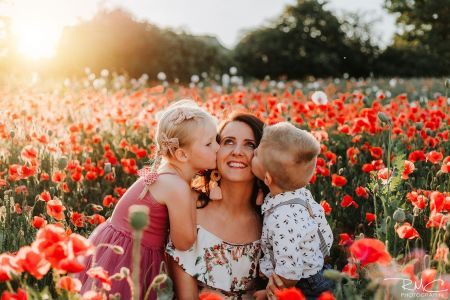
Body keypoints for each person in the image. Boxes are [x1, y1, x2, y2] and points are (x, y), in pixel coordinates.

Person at [78, 100, 219, 299]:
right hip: (130, 258)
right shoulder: (177, 187)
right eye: (209, 143)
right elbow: (184, 242)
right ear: (182, 154)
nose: (218, 147)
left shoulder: (166, 174)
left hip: (115, 249)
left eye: (217, 140)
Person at [167, 112, 268, 299]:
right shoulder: (188, 211)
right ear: (214, 149)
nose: (237, 151)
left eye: (250, 144)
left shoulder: (272, 219)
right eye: (228, 141)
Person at [251, 122, 334, 300]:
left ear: (267, 178)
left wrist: (268, 294)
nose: (253, 152)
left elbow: (290, 272)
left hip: (303, 287)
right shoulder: (301, 195)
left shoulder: (281, 218)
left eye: (256, 153)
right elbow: (325, 235)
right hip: (321, 274)